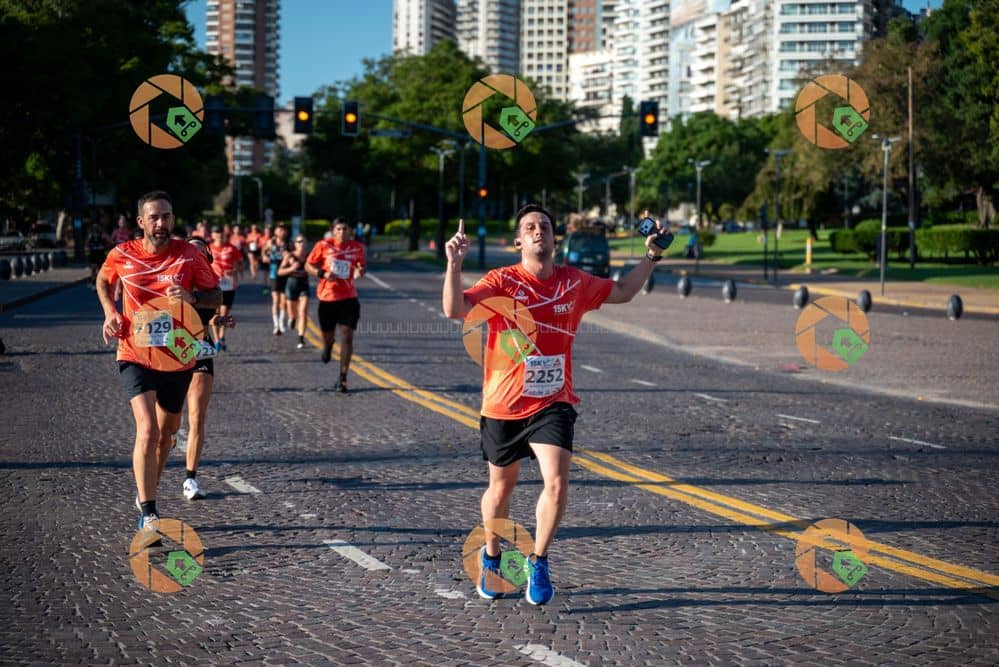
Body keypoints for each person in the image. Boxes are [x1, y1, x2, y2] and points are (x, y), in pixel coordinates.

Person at [442, 204, 667, 605]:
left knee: (558, 482)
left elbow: (623, 291)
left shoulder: (573, 282)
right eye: (529, 227)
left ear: (553, 237)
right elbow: (455, 309)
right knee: (500, 488)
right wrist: (454, 264)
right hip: (504, 404)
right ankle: (492, 556)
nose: (538, 231)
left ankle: (539, 560)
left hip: (553, 401)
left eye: (544, 225)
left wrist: (651, 254)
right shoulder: (502, 281)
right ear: (518, 242)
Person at [96, 190, 221, 530]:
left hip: (177, 357)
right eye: (154, 217)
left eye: (166, 216)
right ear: (141, 222)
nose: (161, 223)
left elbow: (216, 295)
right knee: (148, 429)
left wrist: (192, 296)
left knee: (167, 434)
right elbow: (103, 280)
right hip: (133, 352)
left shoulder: (188, 255)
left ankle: (146, 489)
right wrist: (110, 312)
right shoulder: (122, 254)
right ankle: (149, 511)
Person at [181, 237, 235, 501]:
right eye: (191, 251)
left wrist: (219, 320)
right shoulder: (172, 279)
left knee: (196, 416)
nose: (196, 256)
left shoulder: (210, 283)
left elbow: (208, 314)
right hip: (170, 352)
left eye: (201, 253)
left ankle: (190, 478)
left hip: (200, 350)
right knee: (166, 426)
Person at [306, 217, 366, 393]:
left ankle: (343, 377)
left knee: (347, 337)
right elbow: (308, 265)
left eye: (345, 229)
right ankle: (328, 345)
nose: (342, 232)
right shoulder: (323, 245)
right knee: (328, 335)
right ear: (333, 230)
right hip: (327, 298)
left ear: (350, 231)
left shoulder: (357, 247)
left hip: (349, 298)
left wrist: (360, 271)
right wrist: (322, 273)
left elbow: (361, 267)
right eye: (338, 229)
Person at [208, 225, 244, 351]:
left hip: (229, 283)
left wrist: (235, 271)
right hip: (213, 284)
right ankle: (216, 340)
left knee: (224, 313)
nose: (219, 235)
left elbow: (241, 264)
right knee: (215, 312)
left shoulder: (231, 248)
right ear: (212, 235)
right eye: (216, 232)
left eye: (221, 232)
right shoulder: (208, 248)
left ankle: (222, 336)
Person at [279, 234, 310, 349]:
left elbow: (317, 267)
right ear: (295, 244)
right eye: (299, 242)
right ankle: (292, 318)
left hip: (304, 285)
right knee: (292, 312)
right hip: (292, 284)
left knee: (303, 311)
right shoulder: (290, 256)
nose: (301, 244)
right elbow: (280, 271)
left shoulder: (309, 256)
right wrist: (291, 268)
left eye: (303, 241)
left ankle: (301, 338)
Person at [262, 224, 290, 335]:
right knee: (275, 300)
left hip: (285, 274)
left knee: (283, 301)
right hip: (273, 274)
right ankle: (276, 324)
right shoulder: (271, 242)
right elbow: (264, 251)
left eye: (284, 230)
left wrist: (289, 256)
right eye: (280, 230)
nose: (282, 232)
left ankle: (282, 321)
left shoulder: (288, 244)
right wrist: (265, 257)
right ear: (276, 232)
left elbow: (293, 255)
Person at [86, 221, 110, 288]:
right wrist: (89, 246)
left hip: (100, 253)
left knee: (100, 269)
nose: (95, 228)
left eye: (97, 226)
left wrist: (104, 246)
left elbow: (109, 241)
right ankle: (93, 282)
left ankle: (101, 283)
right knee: (93, 269)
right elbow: (87, 244)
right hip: (93, 253)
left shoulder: (102, 234)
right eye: (94, 227)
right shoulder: (91, 235)